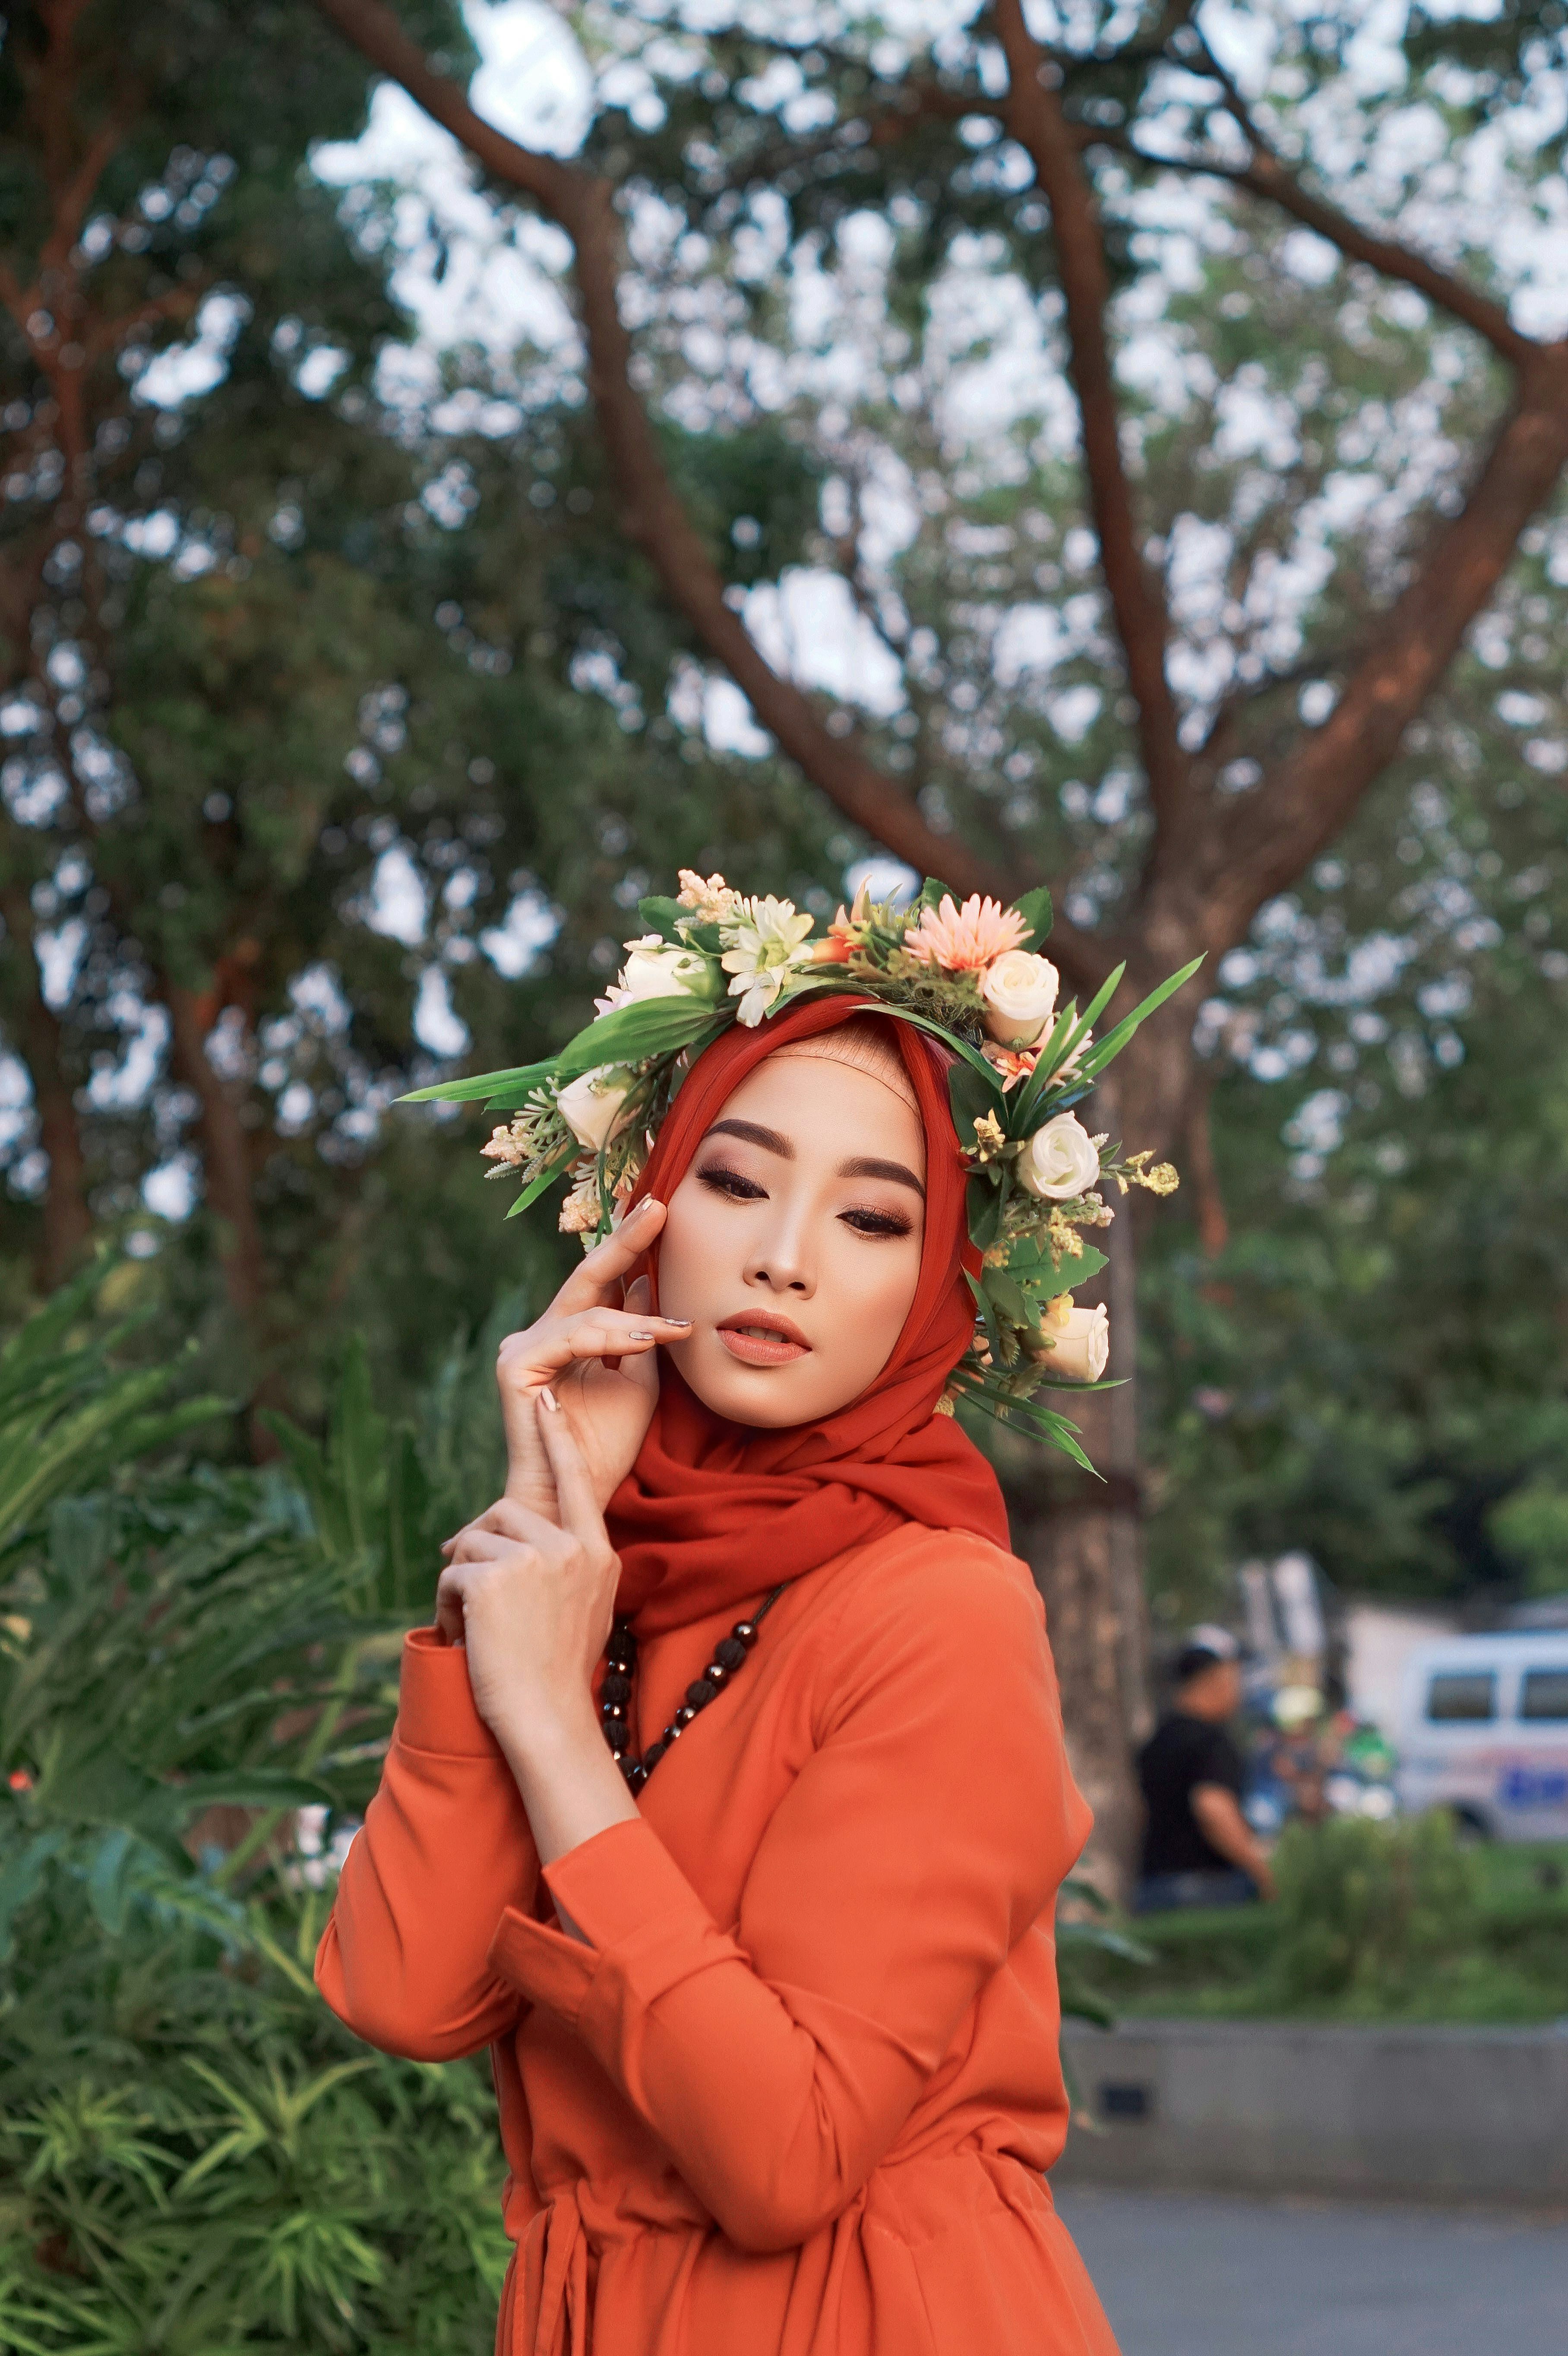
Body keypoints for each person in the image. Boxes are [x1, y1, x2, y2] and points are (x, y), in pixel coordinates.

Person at [315, 997, 1121, 2356]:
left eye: (871, 1219)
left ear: (942, 1285)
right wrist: (545, 1522)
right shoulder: (599, 1584)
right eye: (735, 1182)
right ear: (644, 1216)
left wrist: (550, 1730)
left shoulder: (941, 1611)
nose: (784, 1258)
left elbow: (781, 2158)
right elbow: (405, 1995)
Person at [1134, 1626, 1278, 1913]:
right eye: (1236, 1674)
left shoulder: (1157, 1740)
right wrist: (1261, 1868)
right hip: (1207, 1893)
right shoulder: (1211, 1741)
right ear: (1218, 1676)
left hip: (1152, 1892)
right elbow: (1212, 1807)